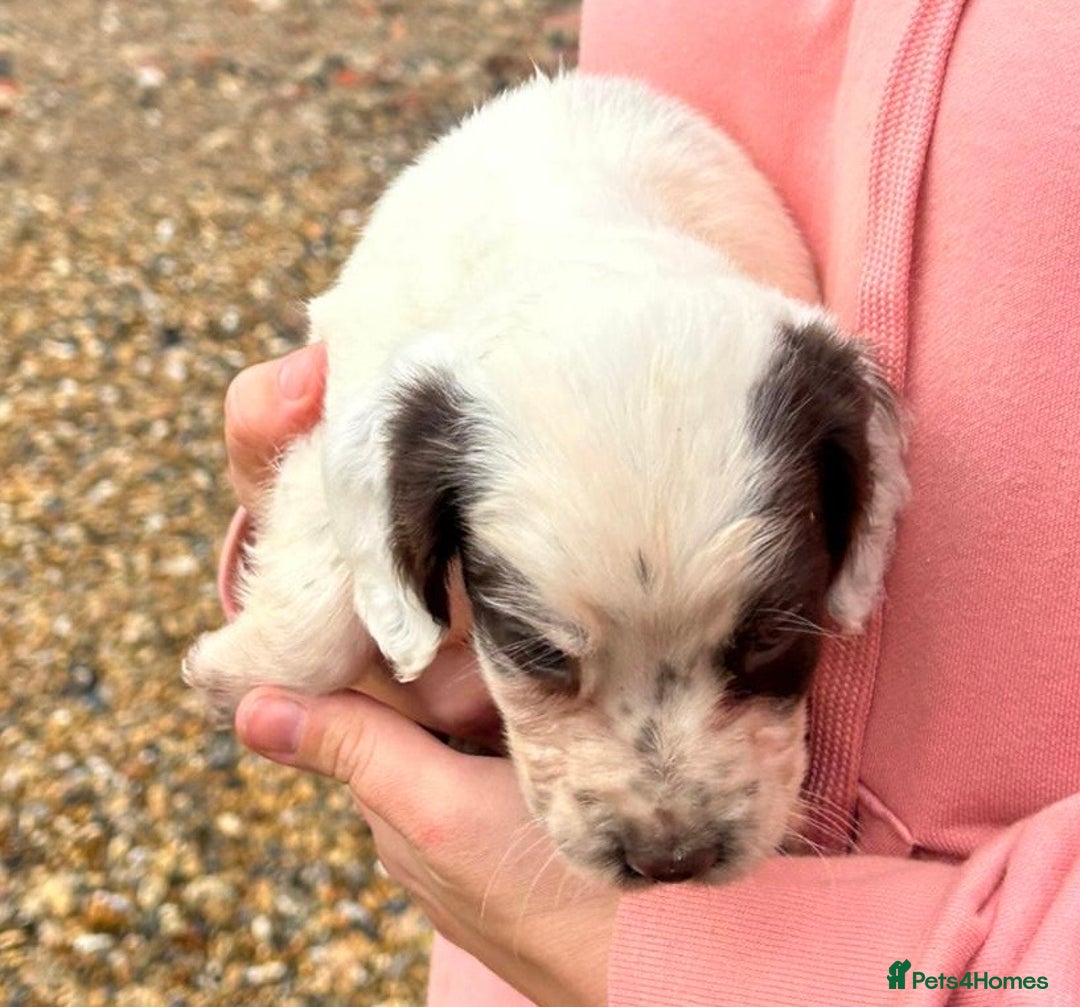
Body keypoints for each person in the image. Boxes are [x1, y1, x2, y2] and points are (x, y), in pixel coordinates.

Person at [219, 0, 1080, 1002]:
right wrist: (342, 588)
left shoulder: (819, 397)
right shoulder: (465, 303)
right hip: (523, 934)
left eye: (766, 642)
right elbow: (385, 447)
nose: (670, 827)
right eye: (551, 658)